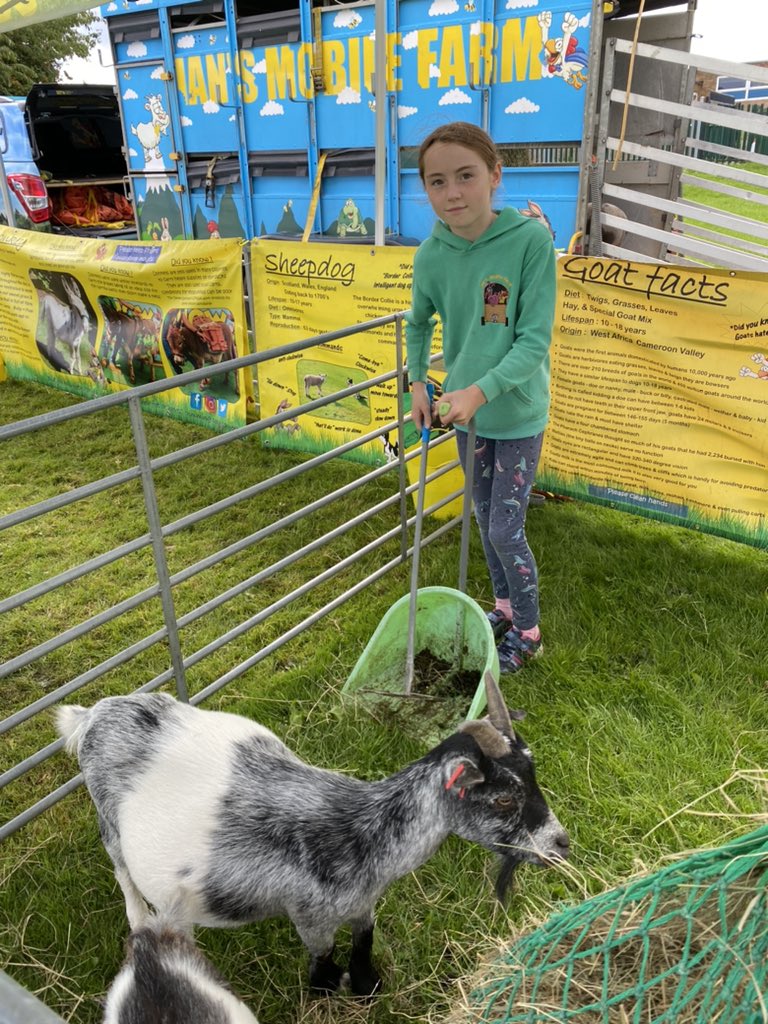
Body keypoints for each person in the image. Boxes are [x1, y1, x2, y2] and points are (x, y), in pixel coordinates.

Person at [405, 122, 556, 674]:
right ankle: (503, 607)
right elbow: (417, 323)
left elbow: (533, 340)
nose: (453, 193)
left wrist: (479, 389)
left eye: (466, 176)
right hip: (463, 414)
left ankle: (530, 630)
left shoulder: (530, 243)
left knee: (503, 527)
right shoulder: (430, 255)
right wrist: (419, 382)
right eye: (437, 182)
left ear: (494, 175)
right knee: (482, 512)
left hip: (513, 413)